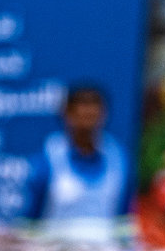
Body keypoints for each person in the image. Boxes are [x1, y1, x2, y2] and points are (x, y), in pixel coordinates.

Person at [24, 84, 128, 242]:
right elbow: (31, 220)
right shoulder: (48, 159)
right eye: (82, 109)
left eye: (94, 109)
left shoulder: (118, 159)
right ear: (67, 114)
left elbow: (123, 218)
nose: (88, 115)